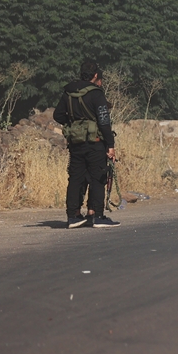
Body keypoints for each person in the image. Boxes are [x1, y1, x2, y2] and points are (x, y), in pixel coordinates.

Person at [54, 60, 118, 229]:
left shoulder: (68, 92)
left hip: (76, 142)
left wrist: (75, 123)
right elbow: (104, 121)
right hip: (95, 143)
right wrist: (110, 145)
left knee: (75, 178)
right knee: (98, 177)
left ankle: (73, 216)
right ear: (95, 75)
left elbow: (58, 115)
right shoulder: (96, 94)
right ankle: (96, 215)